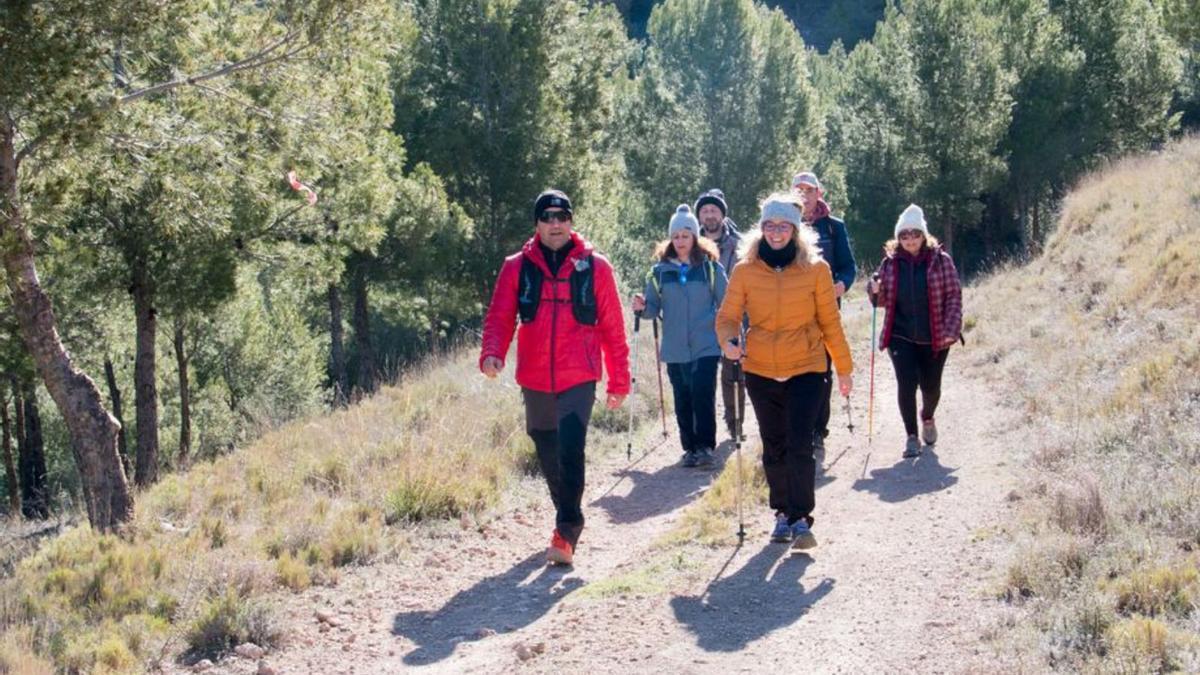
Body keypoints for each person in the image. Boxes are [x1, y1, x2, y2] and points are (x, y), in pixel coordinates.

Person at [480, 189, 630, 566]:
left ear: (571, 222)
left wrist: (619, 380)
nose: (555, 224)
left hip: (579, 374)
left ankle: (566, 531)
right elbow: (500, 315)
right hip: (534, 375)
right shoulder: (516, 266)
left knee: (570, 447)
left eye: (562, 217)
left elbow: (613, 327)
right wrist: (492, 353)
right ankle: (565, 512)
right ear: (537, 224)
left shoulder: (596, 267)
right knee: (546, 447)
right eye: (547, 217)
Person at [715, 194, 853, 550]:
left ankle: (801, 519)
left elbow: (830, 323)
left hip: (806, 365)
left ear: (796, 230)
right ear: (761, 229)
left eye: (784, 226)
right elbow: (728, 317)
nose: (776, 232)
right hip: (760, 368)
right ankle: (781, 514)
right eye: (770, 225)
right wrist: (730, 341)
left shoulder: (817, 269)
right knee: (773, 445)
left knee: (800, 443)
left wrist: (844, 368)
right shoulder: (745, 270)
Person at [632, 204, 728, 468]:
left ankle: (706, 446)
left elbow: (728, 303)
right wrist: (642, 308)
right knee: (683, 397)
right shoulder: (659, 273)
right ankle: (690, 448)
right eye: (676, 237)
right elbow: (652, 309)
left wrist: (733, 336)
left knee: (702, 392)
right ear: (670, 239)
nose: (680, 241)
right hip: (674, 347)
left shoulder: (711, 268)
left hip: (706, 344)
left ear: (695, 237)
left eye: (685, 236)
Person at [866, 204, 963, 459]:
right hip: (900, 335)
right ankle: (911, 437)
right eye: (904, 235)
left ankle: (927, 417)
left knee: (931, 387)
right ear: (898, 238)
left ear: (924, 235)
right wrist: (873, 289)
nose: (910, 239)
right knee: (906, 384)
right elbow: (881, 301)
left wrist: (951, 329)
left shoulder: (941, 261)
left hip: (936, 335)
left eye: (915, 234)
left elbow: (954, 295)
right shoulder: (889, 264)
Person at [791, 172, 856, 456]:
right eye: (799, 190)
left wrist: (842, 284)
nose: (804, 194)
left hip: (826, 310)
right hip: (790, 311)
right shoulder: (783, 225)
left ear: (819, 192)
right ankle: (797, 426)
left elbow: (848, 266)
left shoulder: (834, 228)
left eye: (809, 189)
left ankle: (818, 429)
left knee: (822, 371)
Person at [694, 188, 745, 441]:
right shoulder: (689, 244)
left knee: (733, 374)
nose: (709, 215)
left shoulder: (740, 245)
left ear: (722, 214)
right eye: (705, 210)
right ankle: (704, 433)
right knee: (702, 378)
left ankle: (736, 425)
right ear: (699, 216)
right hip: (700, 321)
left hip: (734, 317)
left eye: (714, 210)